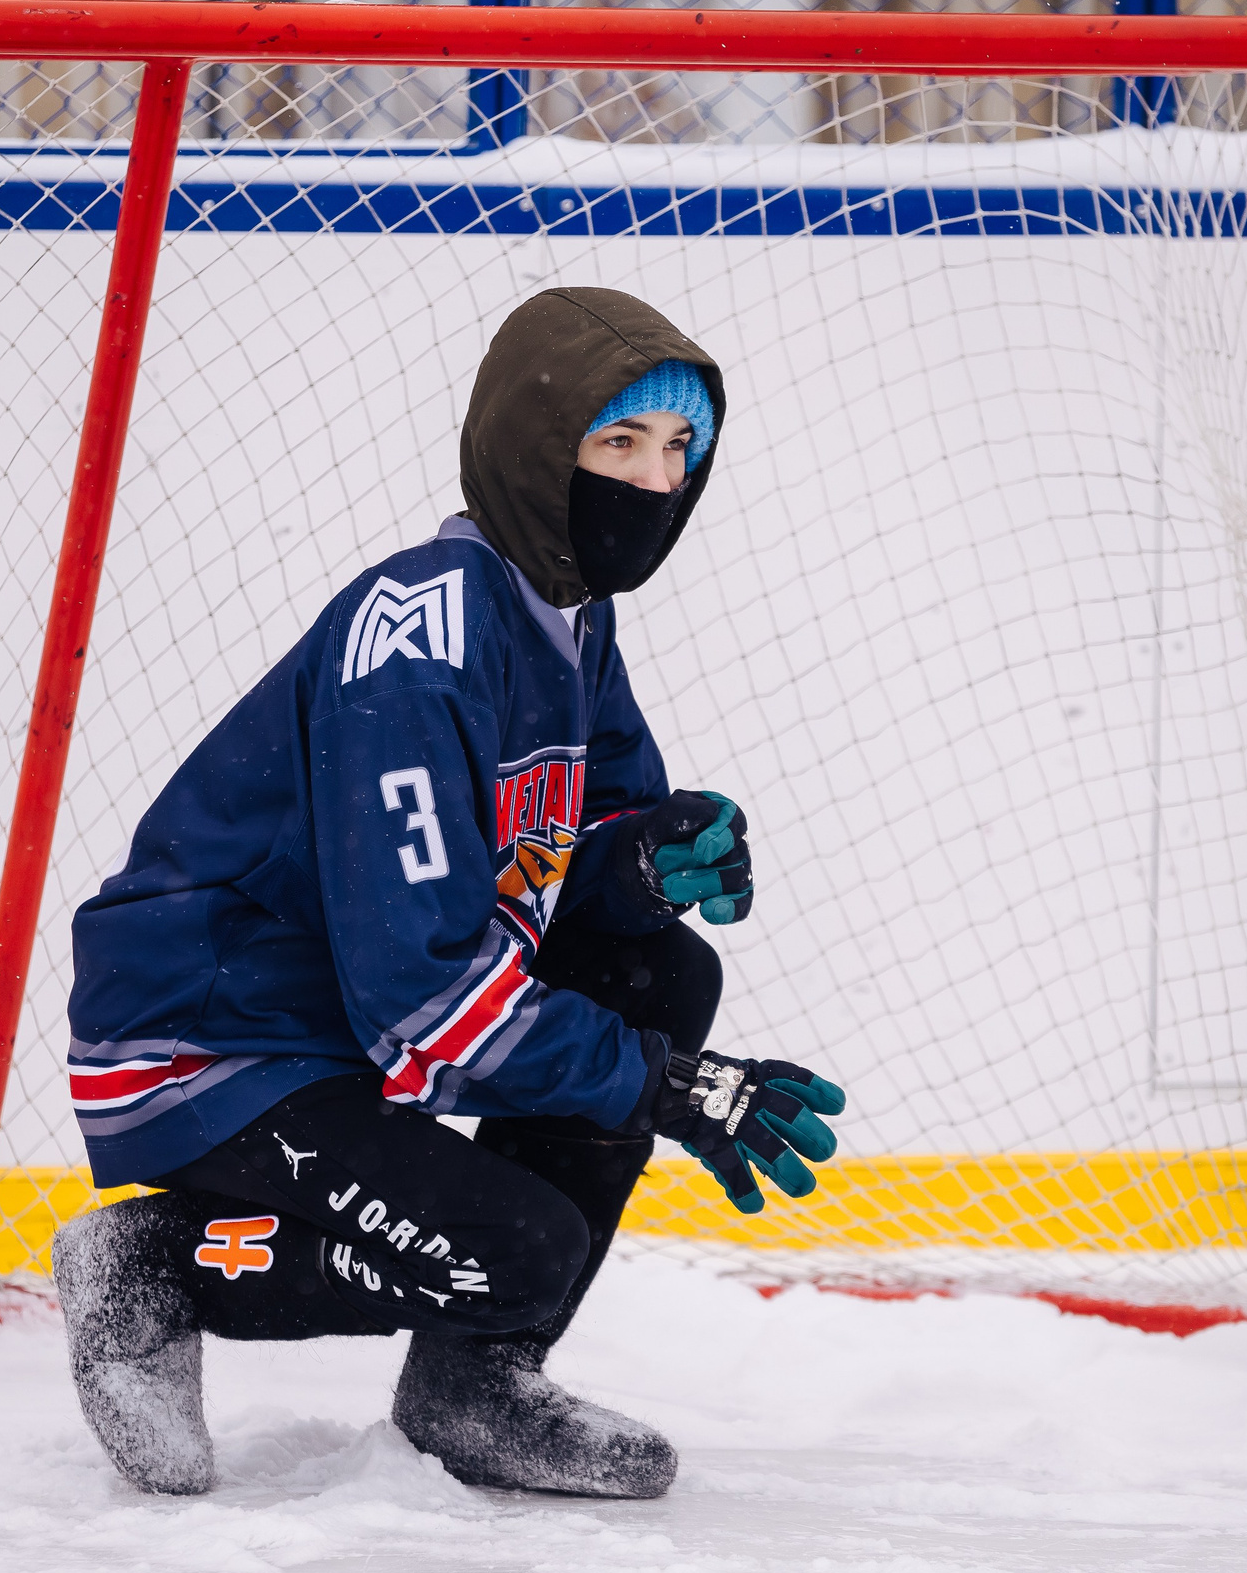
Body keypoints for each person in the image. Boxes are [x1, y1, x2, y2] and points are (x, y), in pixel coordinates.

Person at [51, 288, 845, 1499]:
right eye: (617, 443)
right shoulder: (416, 639)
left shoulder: (572, 621)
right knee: (519, 1248)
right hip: (210, 1037)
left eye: (680, 450)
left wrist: (647, 861)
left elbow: (570, 874)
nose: (655, 482)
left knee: (662, 972)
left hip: (335, 1028)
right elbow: (420, 995)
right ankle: (153, 1261)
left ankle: (475, 1384)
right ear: (533, 452)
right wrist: (664, 1086)